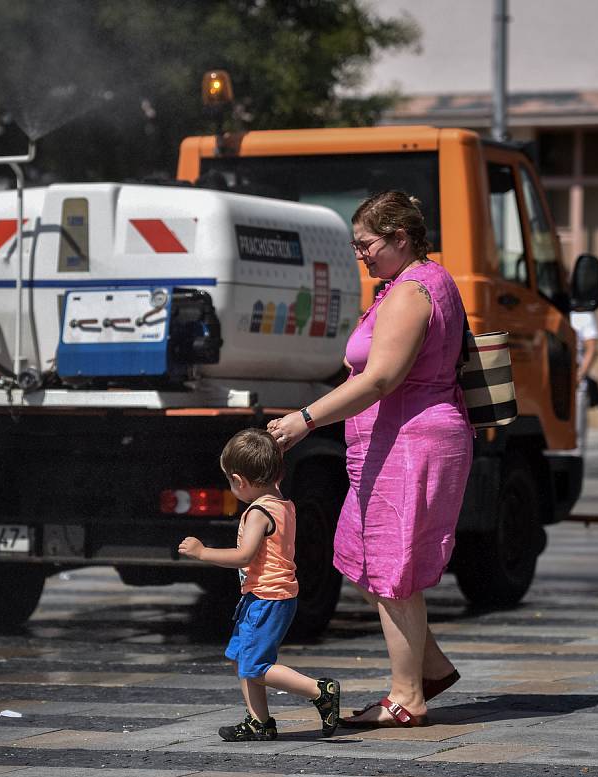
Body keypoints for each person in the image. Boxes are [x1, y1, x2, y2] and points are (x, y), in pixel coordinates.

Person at [267, 190, 473, 729]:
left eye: (367, 244)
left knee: (393, 570)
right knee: (360, 556)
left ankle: (407, 697)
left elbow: (381, 378)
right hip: (391, 443)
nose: (360, 255)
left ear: (400, 239)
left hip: (410, 443)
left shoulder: (411, 292)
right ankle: (429, 666)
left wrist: (303, 418)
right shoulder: (412, 283)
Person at [178, 428, 341, 741]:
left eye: (230, 481)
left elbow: (243, 555)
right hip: (266, 596)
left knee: (257, 665)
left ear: (239, 481)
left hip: (268, 598)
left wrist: (202, 552)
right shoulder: (282, 503)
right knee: (245, 657)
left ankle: (319, 690)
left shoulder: (258, 512)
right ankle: (259, 722)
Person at [569, 309, 598, 455]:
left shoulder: (583, 314)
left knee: (576, 440)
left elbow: (592, 348)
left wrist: (579, 376)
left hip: (575, 385)